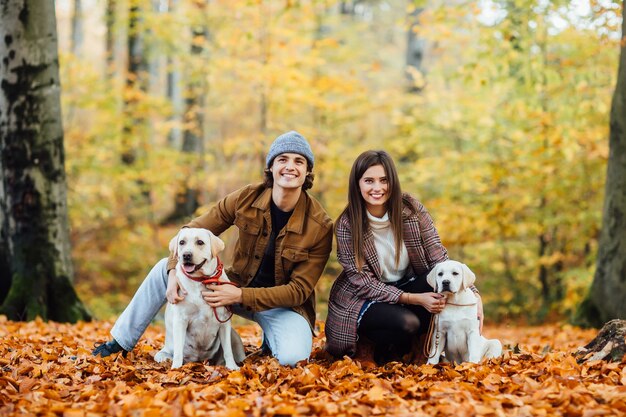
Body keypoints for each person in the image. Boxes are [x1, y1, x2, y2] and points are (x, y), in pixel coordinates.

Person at [93, 131, 333, 366]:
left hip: (282, 306)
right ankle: (118, 343)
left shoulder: (320, 225)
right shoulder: (247, 198)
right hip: (230, 288)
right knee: (161, 270)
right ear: (271, 166)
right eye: (282, 159)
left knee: (293, 358)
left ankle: (271, 339)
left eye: (299, 161)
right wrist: (174, 270)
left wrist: (239, 295)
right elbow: (191, 229)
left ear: (307, 171)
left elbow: (299, 290)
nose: (290, 166)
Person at [324, 150, 483, 364]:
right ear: (357, 184)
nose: (377, 188)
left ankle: (421, 346)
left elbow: (438, 256)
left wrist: (474, 295)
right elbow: (364, 284)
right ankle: (368, 343)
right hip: (365, 296)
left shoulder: (411, 209)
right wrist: (414, 299)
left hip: (407, 283)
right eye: (369, 181)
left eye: (384, 180)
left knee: (436, 279)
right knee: (406, 323)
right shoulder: (347, 224)